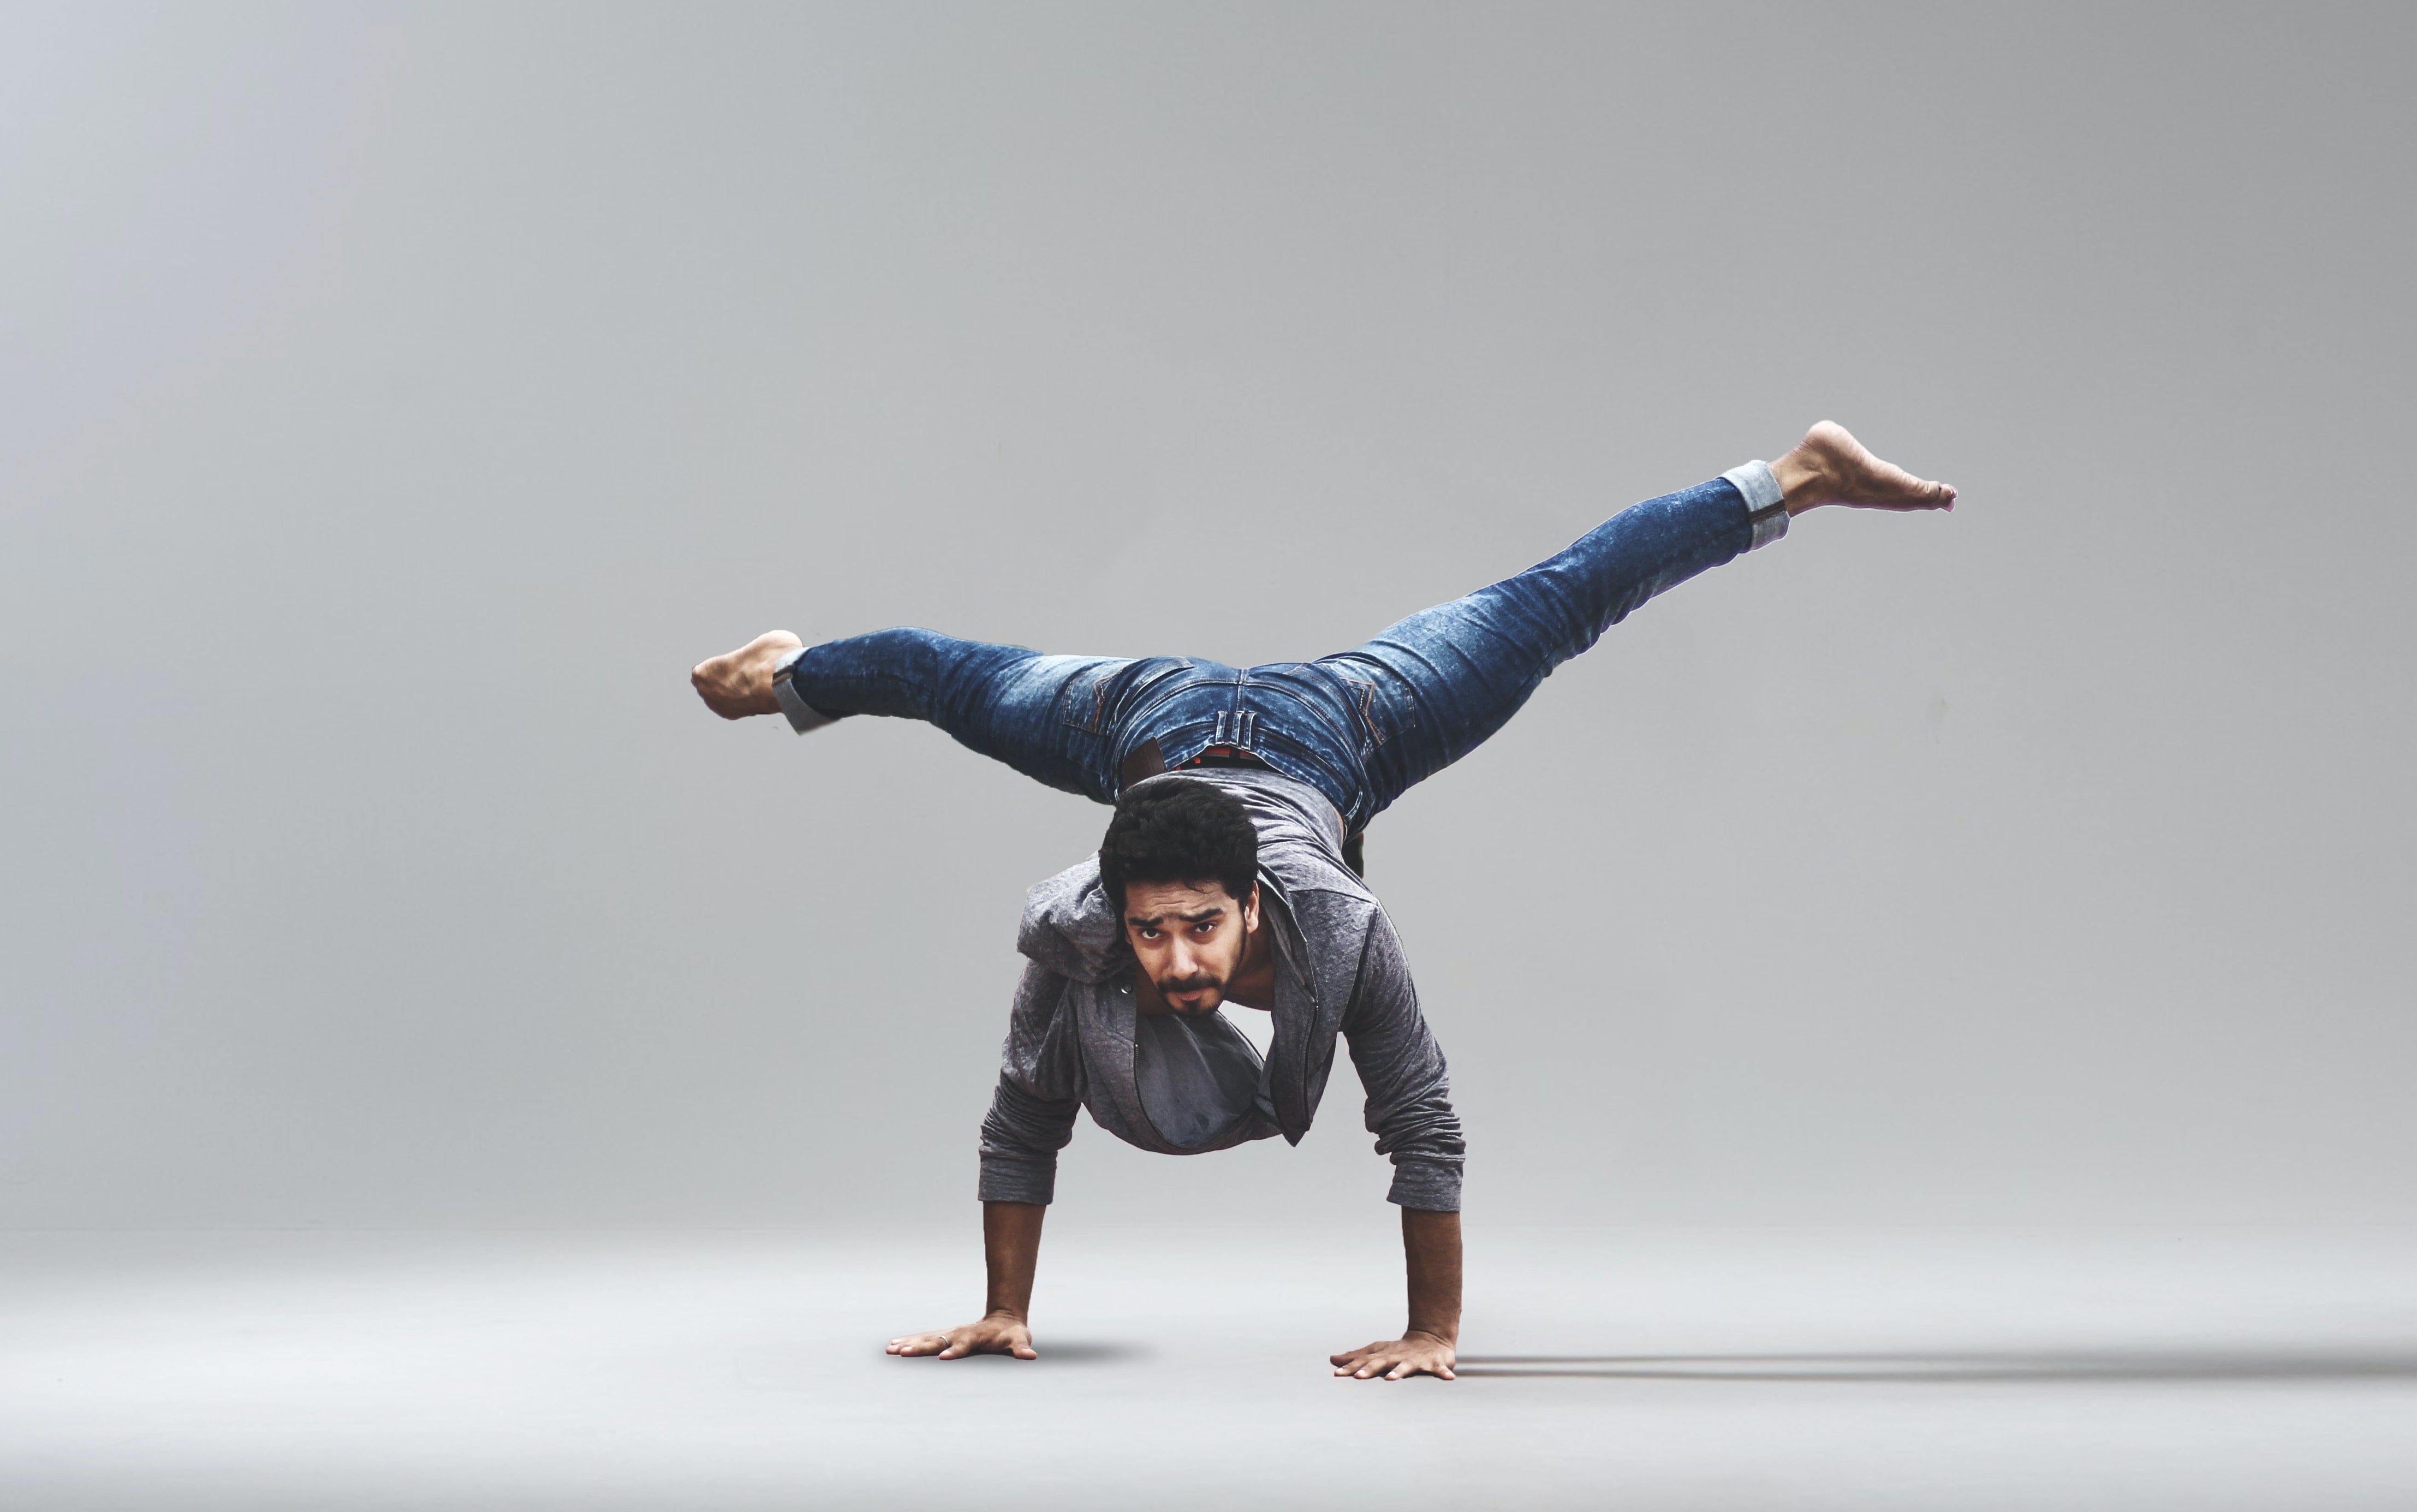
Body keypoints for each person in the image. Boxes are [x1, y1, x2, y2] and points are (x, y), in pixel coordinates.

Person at [690, 421, 1955, 1382]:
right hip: (1146, 717)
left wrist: (1433, 1330)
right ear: (1114, 909)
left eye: (1201, 926)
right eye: (1151, 930)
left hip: (1343, 723)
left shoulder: (1339, 925)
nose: (1176, 958)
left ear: (1252, 901)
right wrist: (1006, 1308)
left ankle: (1793, 473)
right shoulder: (1079, 928)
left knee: (1558, 603)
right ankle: (794, 675)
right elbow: (1025, 1110)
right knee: (938, 679)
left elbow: (1418, 1113)